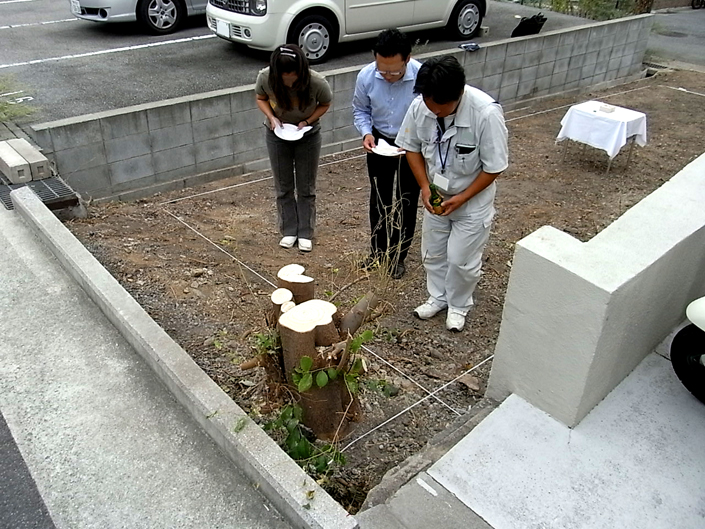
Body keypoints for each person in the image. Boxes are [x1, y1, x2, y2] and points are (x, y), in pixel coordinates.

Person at [395, 56, 509, 332]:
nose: (435, 113)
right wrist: (424, 186)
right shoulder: (421, 106)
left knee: (461, 259)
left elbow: (494, 167)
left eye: (441, 110)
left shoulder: (486, 114)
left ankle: (459, 305)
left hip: (471, 202)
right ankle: (438, 297)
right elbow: (411, 146)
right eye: (429, 105)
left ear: (459, 94)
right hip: (436, 195)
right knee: (432, 252)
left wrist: (463, 197)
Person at [352, 29, 421, 279]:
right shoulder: (367, 76)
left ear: (407, 59)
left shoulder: (422, 77)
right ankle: (378, 252)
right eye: (383, 70)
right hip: (379, 141)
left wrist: (415, 140)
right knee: (379, 199)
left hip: (411, 145)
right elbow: (360, 109)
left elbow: (430, 114)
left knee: (407, 200)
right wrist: (366, 133)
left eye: (394, 71)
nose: (389, 76)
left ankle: (398, 256)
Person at [255, 44, 332, 252]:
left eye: (293, 76)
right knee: (283, 186)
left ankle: (305, 232)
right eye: (284, 77)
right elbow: (260, 98)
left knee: (306, 186)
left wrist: (307, 122)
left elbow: (325, 103)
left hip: (307, 135)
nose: (289, 82)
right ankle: (289, 230)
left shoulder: (316, 82)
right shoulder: (265, 77)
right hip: (277, 134)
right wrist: (271, 117)